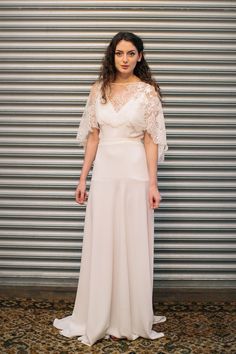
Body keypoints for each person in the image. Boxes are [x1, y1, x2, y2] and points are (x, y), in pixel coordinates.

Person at [53, 31, 168, 347]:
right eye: (120, 53)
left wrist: (153, 183)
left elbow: (151, 140)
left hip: (134, 175)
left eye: (131, 53)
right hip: (104, 173)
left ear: (140, 57)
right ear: (112, 56)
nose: (125, 59)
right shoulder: (98, 90)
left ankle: (128, 316)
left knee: (132, 239)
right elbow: (92, 137)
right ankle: (101, 312)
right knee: (104, 239)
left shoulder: (148, 93)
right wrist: (82, 178)